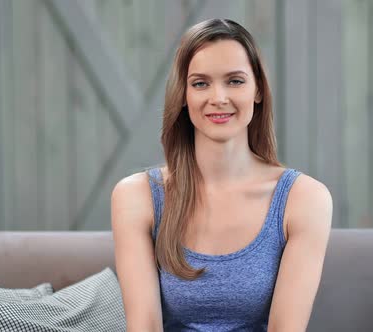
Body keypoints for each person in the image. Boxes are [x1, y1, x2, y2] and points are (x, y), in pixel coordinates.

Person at [111, 18, 332, 332]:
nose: (218, 97)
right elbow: (144, 326)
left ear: (258, 90)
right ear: (184, 96)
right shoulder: (137, 196)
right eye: (200, 83)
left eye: (235, 81)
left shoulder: (304, 198)